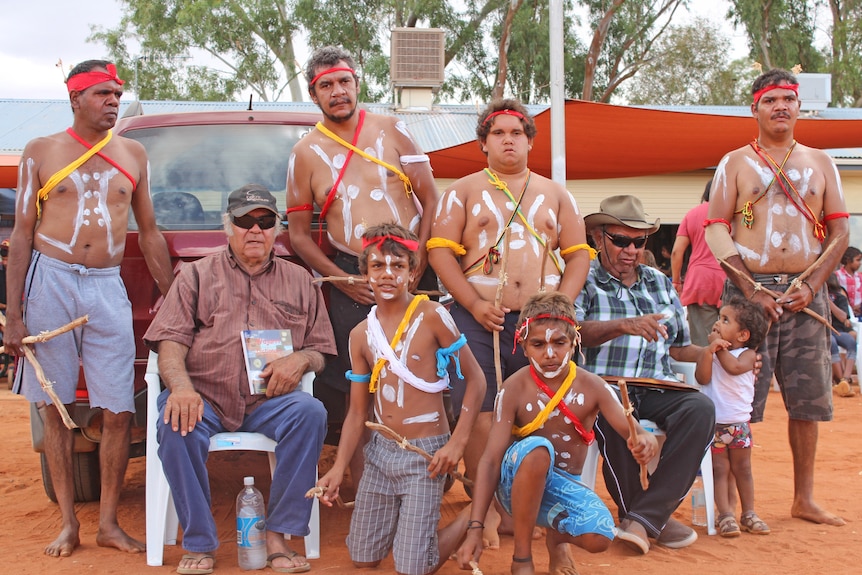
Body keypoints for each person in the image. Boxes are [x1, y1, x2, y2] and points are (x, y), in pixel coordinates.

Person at [5, 60, 174, 558]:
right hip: (49, 282)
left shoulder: (134, 153)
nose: (112, 102)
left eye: (117, 94)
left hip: (106, 285)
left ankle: (107, 524)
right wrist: (13, 314)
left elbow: (149, 231)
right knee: (54, 406)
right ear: (75, 98)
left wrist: (173, 298)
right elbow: (20, 234)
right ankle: (66, 525)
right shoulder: (40, 152)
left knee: (119, 409)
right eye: (102, 94)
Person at [143, 184, 336, 575]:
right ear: (227, 226)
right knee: (175, 420)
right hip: (206, 397)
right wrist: (180, 388)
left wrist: (299, 360)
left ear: (277, 228)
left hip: (270, 401)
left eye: (265, 221)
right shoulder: (195, 275)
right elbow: (169, 343)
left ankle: (279, 536)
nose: (255, 229)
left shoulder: (301, 280)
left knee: (310, 411)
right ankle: (200, 542)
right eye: (244, 221)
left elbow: (321, 350)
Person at [427, 98, 594, 545]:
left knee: (538, 410)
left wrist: (559, 309)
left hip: (541, 325)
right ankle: (493, 508)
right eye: (497, 133)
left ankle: (531, 500)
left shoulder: (557, 194)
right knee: (481, 408)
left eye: (516, 133)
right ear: (483, 142)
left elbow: (579, 256)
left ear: (529, 141)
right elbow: (440, 252)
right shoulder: (461, 190)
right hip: (476, 317)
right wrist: (474, 304)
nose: (507, 140)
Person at [705, 67, 848, 526]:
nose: (780, 107)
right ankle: (730, 507)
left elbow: (840, 231)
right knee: (734, 401)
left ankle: (803, 498)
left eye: (788, 99)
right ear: (755, 108)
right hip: (748, 297)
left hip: (806, 295)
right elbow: (716, 228)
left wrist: (811, 286)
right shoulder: (735, 162)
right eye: (770, 100)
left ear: (798, 106)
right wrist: (750, 290)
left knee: (807, 399)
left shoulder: (822, 162)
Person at [287, 46, 439, 467]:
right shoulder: (304, 153)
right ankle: (363, 486)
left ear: (357, 83)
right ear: (313, 93)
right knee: (357, 385)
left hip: (411, 271)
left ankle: (423, 469)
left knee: (424, 372)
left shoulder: (393, 129)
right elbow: (298, 236)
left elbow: (430, 196)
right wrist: (343, 280)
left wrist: (421, 258)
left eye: (343, 82)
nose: (337, 92)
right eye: (326, 86)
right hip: (352, 280)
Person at [315, 223, 484, 575]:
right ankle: (410, 528)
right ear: (364, 274)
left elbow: (476, 380)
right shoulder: (361, 334)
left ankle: (472, 516)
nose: (387, 274)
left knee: (412, 568)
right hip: (379, 454)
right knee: (362, 557)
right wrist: (338, 466)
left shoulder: (433, 315)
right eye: (377, 266)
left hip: (426, 454)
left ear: (412, 271)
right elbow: (357, 411)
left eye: (398, 266)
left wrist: (456, 444)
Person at [455, 292, 658, 575]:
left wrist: (645, 441)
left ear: (575, 341)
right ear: (523, 347)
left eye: (559, 343)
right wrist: (475, 526)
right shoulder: (514, 388)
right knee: (538, 449)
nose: (549, 354)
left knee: (601, 536)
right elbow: (490, 460)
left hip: (562, 488)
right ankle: (522, 558)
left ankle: (557, 537)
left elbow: (634, 431)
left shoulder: (594, 387)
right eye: (538, 344)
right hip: (513, 488)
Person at [575, 194, 716, 554]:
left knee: (700, 409)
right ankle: (648, 517)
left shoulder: (658, 281)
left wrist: (716, 350)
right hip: (604, 382)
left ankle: (642, 518)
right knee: (609, 411)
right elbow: (572, 332)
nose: (631, 250)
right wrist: (624, 325)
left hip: (657, 382)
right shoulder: (583, 278)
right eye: (620, 240)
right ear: (597, 237)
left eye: (639, 242)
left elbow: (679, 348)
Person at [695, 297, 770, 538]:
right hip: (715, 425)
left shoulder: (747, 355)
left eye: (725, 320)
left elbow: (734, 368)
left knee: (743, 469)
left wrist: (719, 348)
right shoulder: (714, 352)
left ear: (743, 335)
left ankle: (749, 513)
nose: (718, 323)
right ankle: (725, 514)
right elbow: (703, 378)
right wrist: (708, 352)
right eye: (719, 318)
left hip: (739, 425)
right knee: (720, 470)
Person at [671, 180, 726, 346]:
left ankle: (705, 371)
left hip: (699, 282)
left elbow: (676, 252)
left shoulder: (692, 214)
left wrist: (676, 281)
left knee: (703, 344)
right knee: (730, 338)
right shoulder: (733, 214)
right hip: (729, 281)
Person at [826, 273, 856, 397]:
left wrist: (829, 302)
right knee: (831, 342)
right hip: (824, 331)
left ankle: (846, 379)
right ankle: (840, 380)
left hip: (839, 330)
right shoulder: (814, 298)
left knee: (850, 341)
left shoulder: (840, 298)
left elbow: (843, 317)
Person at [834, 246, 862, 320]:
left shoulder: (860, 277)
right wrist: (850, 308)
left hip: (859, 313)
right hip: (845, 313)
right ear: (849, 260)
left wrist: (859, 306)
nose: (860, 263)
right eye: (858, 260)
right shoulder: (838, 275)